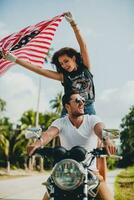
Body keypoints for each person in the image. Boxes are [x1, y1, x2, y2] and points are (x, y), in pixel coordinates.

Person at [2, 12, 95, 116]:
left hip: (88, 108)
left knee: (96, 130)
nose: (64, 65)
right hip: (70, 110)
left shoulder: (85, 68)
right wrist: (15, 60)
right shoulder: (64, 76)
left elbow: (83, 46)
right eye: (61, 64)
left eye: (66, 61)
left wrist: (74, 24)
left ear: (73, 58)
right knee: (61, 131)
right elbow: (40, 70)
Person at [28, 92, 116, 200]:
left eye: (83, 101)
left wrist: (107, 140)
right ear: (67, 106)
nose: (82, 103)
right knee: (49, 192)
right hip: (65, 174)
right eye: (77, 101)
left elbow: (101, 130)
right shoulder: (60, 122)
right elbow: (48, 134)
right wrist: (36, 144)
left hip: (90, 173)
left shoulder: (92, 119)